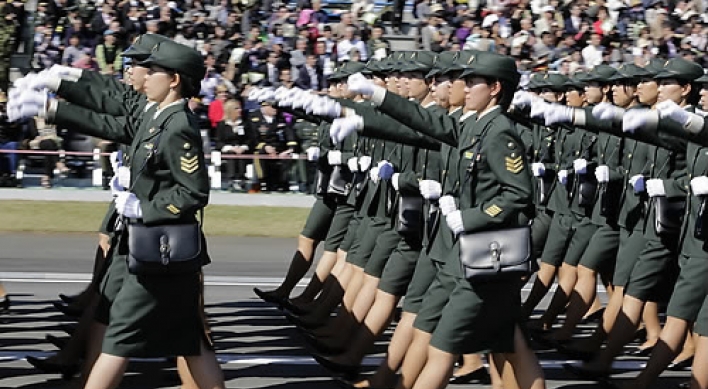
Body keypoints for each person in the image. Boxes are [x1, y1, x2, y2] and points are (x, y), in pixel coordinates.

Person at [215, 98, 250, 191]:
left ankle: (241, 179)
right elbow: (219, 141)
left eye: (240, 108)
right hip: (228, 150)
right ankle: (232, 179)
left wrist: (243, 147)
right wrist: (230, 148)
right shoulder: (222, 125)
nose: (240, 110)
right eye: (237, 108)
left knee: (241, 156)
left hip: (242, 150)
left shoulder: (245, 124)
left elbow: (250, 139)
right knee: (232, 156)